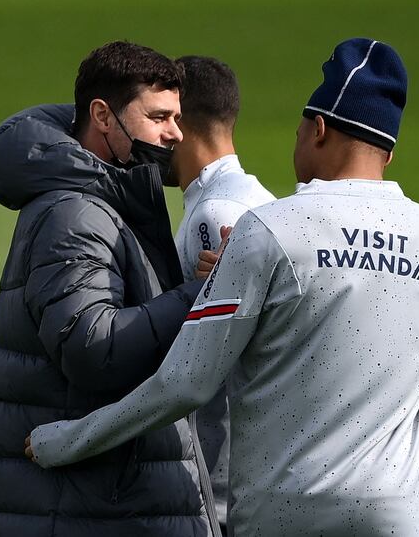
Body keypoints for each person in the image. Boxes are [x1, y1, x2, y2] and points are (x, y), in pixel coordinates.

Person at [26, 38, 419, 537]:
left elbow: (185, 383)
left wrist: (69, 440)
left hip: (285, 508)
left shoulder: (270, 228)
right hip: (400, 512)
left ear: (316, 129)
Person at [0, 41, 221, 536]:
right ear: (103, 116)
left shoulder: (110, 200)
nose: (176, 134)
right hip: (96, 510)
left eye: (176, 117)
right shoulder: (76, 214)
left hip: (100, 503)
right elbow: (93, 348)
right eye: (158, 117)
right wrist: (199, 293)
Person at [170, 55, 276, 533]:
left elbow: (215, 358)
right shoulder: (262, 199)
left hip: (222, 492)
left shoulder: (217, 214)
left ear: (179, 120)